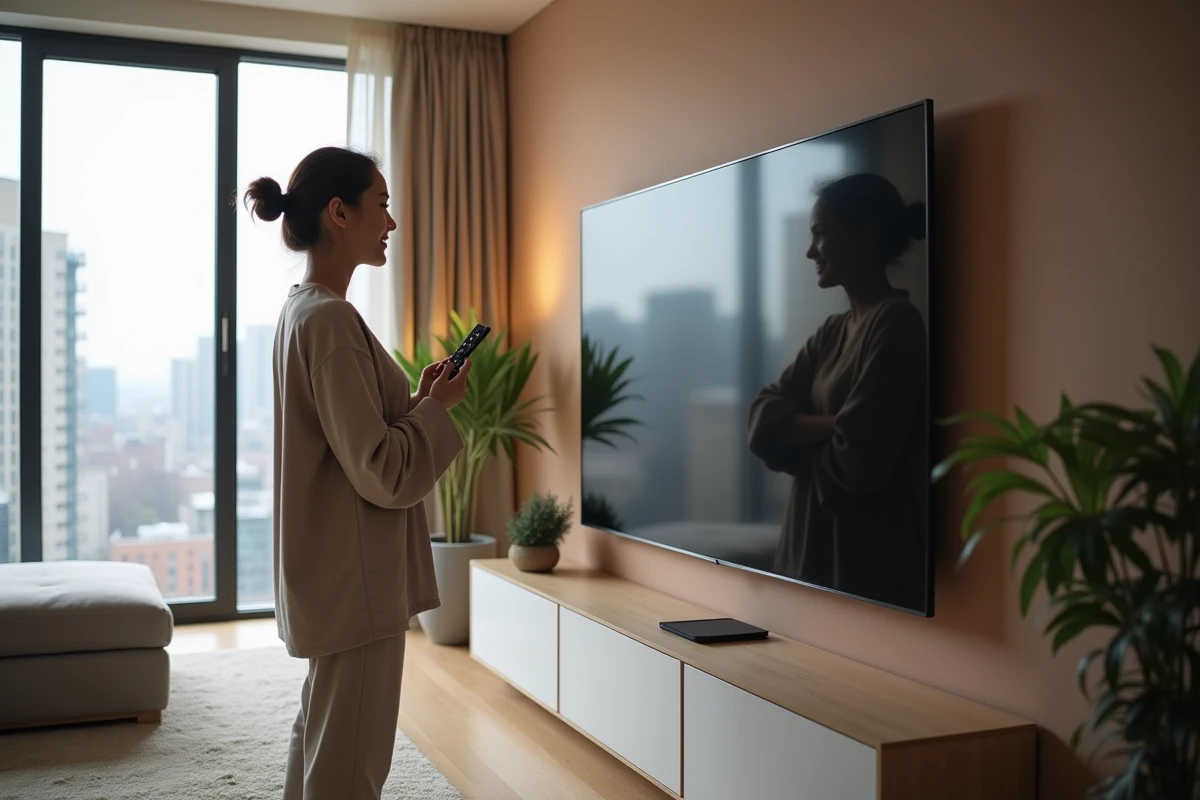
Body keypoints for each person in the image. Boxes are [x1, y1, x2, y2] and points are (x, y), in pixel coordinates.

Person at [243, 146, 470, 799]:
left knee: (322, 739)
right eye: (383, 205)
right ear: (340, 213)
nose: (392, 222)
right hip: (357, 580)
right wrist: (437, 410)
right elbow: (381, 471)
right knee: (351, 767)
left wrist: (421, 400)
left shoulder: (303, 310)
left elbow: (348, 439)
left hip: (334, 574)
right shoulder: (332, 321)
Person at [747, 172, 928, 611]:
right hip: (804, 552)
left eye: (821, 235)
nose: (811, 251)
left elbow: (859, 459)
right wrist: (837, 425)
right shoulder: (832, 330)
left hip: (860, 565)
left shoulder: (897, 323)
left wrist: (802, 435)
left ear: (864, 236)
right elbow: (761, 417)